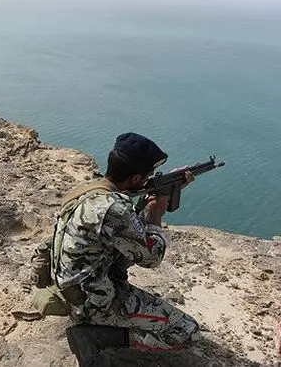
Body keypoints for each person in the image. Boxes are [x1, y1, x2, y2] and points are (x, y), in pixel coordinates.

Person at [51, 132, 200, 365]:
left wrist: (168, 186)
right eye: (147, 176)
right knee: (186, 332)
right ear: (136, 178)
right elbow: (151, 258)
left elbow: (125, 230)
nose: (148, 180)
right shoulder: (115, 209)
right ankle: (94, 336)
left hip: (72, 290)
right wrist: (156, 213)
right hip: (93, 303)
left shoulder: (89, 189)